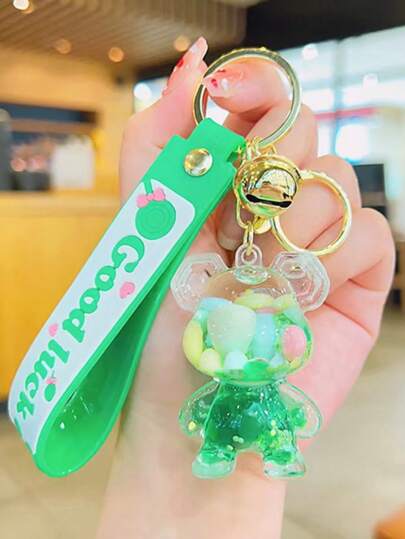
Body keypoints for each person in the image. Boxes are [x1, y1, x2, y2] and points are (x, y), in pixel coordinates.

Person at [97, 37, 395, 538]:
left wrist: (231, 498)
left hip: (253, 429)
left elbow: (295, 399)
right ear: (195, 289)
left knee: (275, 435)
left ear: (301, 290)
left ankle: (273, 455)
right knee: (218, 436)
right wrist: (165, 448)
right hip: (196, 435)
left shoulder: (271, 337)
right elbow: (198, 402)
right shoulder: (209, 327)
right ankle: (221, 454)